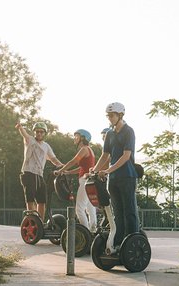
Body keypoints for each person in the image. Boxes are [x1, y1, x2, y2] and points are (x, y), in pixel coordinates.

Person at [92, 102, 140, 250]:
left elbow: (126, 156)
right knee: (117, 213)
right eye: (108, 116)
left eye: (112, 115)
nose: (110, 118)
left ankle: (132, 242)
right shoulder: (109, 134)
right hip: (113, 180)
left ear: (120, 115)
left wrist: (108, 170)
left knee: (129, 212)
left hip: (127, 177)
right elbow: (105, 155)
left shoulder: (128, 131)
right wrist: (94, 170)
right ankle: (118, 243)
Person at [16, 122, 63, 221]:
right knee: (30, 197)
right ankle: (32, 219)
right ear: (34, 132)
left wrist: (62, 167)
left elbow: (53, 159)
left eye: (41, 132)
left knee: (42, 200)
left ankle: (40, 221)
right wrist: (20, 127)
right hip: (28, 172)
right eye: (37, 132)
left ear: (44, 133)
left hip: (39, 175)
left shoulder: (46, 146)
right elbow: (24, 134)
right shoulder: (30, 140)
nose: (39, 134)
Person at [54, 129, 97, 232]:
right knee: (90, 208)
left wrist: (60, 170)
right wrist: (68, 172)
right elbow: (82, 168)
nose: (75, 138)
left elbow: (73, 161)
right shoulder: (90, 150)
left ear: (82, 138)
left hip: (85, 181)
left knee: (79, 209)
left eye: (76, 136)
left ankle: (85, 233)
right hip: (90, 181)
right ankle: (93, 230)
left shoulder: (83, 149)